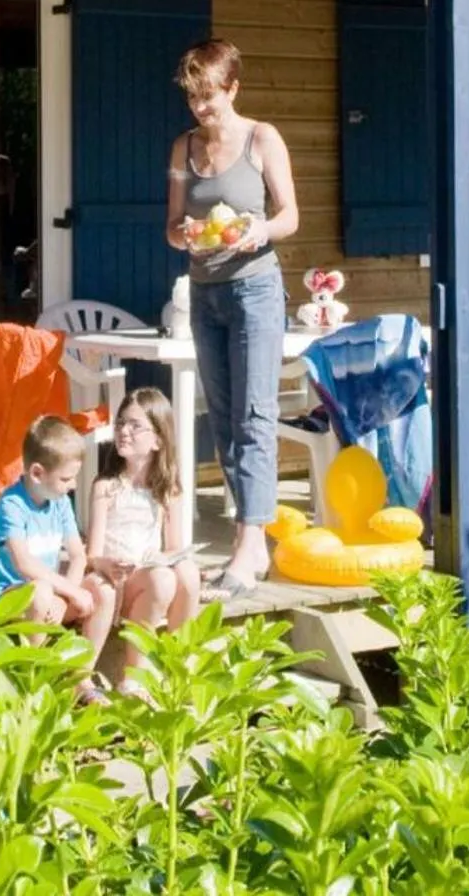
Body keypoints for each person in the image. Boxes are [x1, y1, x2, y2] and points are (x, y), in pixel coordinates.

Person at [164, 39, 299, 599]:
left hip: (256, 290)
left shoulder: (262, 138)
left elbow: (289, 215)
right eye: (194, 98)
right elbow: (172, 225)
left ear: (233, 88)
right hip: (206, 292)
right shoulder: (183, 149)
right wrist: (188, 235)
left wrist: (256, 230)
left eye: (210, 96)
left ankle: (249, 544)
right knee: (223, 417)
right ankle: (254, 540)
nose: (202, 108)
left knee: (254, 415)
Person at [0, 416, 118, 699]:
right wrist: (66, 592)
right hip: (12, 600)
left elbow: (79, 556)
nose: (72, 486)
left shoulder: (59, 503)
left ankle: (81, 680)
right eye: (66, 479)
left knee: (102, 590)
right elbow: (24, 564)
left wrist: (66, 599)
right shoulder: (12, 505)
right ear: (37, 473)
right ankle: (34, 682)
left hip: (51, 599)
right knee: (41, 591)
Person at [85, 387, 201, 682]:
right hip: (115, 579)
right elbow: (92, 553)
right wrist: (106, 563)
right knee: (163, 578)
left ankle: (180, 662)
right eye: (121, 422)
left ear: (158, 439)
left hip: (146, 573)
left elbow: (174, 548)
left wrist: (161, 559)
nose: (124, 431)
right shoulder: (106, 486)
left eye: (135, 425)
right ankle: (134, 676)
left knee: (187, 571)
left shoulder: (167, 489)